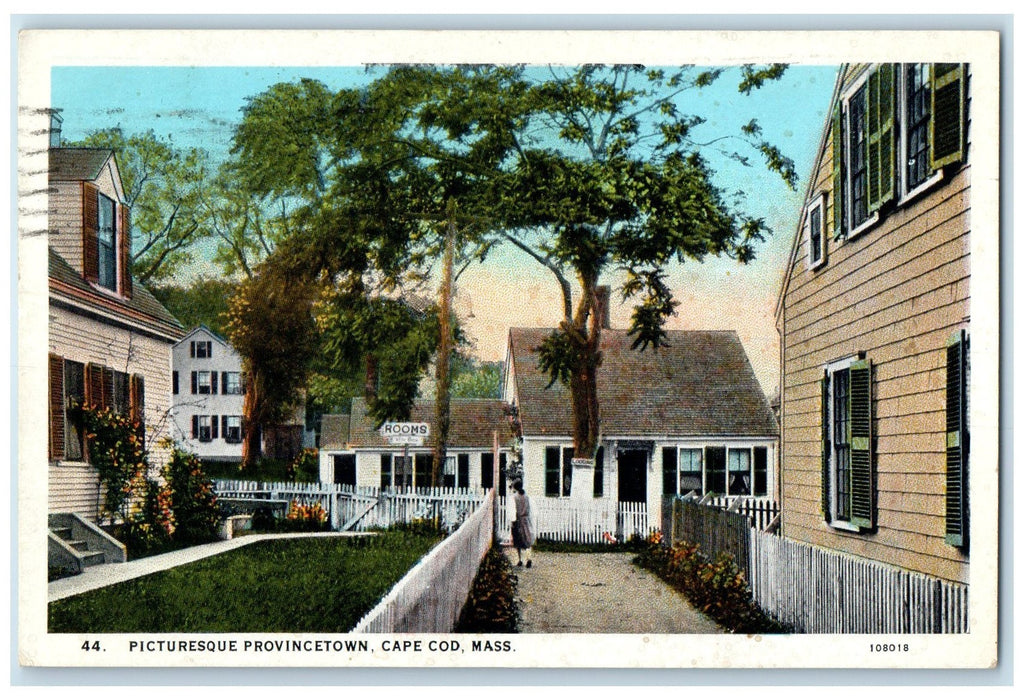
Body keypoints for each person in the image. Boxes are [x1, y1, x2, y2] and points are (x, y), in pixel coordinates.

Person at [511, 481, 535, 568]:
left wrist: (513, 521)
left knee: (518, 540)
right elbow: (530, 509)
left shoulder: (515, 497)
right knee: (527, 539)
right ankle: (528, 559)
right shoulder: (526, 496)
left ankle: (520, 560)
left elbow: (513, 510)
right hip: (526, 520)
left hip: (518, 520)